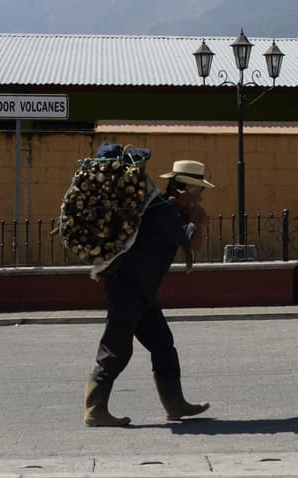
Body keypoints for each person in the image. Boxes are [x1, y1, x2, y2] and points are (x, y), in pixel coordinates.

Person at [83, 159, 213, 427]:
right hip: (128, 288)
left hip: (143, 292)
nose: (200, 196)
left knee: (163, 344)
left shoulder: (170, 212)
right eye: (197, 191)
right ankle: (95, 409)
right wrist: (199, 220)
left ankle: (175, 406)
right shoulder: (163, 212)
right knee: (116, 348)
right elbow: (194, 243)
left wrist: (192, 215)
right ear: (181, 190)